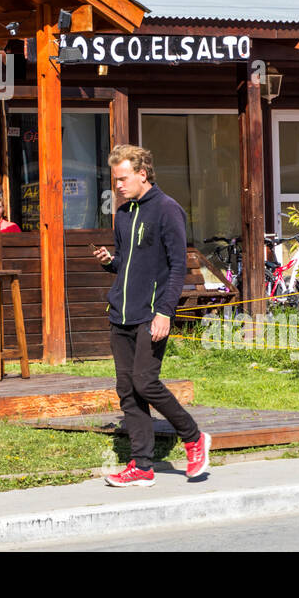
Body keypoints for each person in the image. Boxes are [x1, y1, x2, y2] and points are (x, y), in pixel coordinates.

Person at [92, 144, 210, 487]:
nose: (118, 185)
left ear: (142, 174)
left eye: (123, 178)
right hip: (122, 314)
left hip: (151, 314)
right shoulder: (124, 213)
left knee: (145, 381)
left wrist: (165, 313)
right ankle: (141, 466)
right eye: (115, 179)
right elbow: (127, 263)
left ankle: (193, 437)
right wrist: (108, 262)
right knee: (127, 390)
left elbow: (177, 269)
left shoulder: (168, 210)